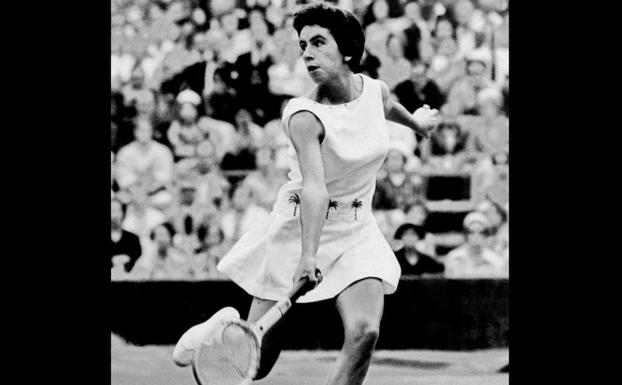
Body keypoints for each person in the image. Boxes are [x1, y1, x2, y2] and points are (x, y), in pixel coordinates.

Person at [172, 4, 439, 385]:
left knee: (365, 331)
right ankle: (221, 327)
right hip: (300, 229)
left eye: (318, 42)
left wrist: (419, 125)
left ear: (347, 49)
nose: (307, 54)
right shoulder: (303, 115)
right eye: (303, 46)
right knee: (256, 365)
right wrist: (308, 255)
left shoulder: (374, 91)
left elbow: (386, 107)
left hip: (356, 230)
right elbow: (315, 187)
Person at [444, 211, 506, 278]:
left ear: (486, 235)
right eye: (472, 232)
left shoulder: (495, 261)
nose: (476, 236)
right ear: (466, 235)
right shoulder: (454, 258)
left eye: (480, 232)